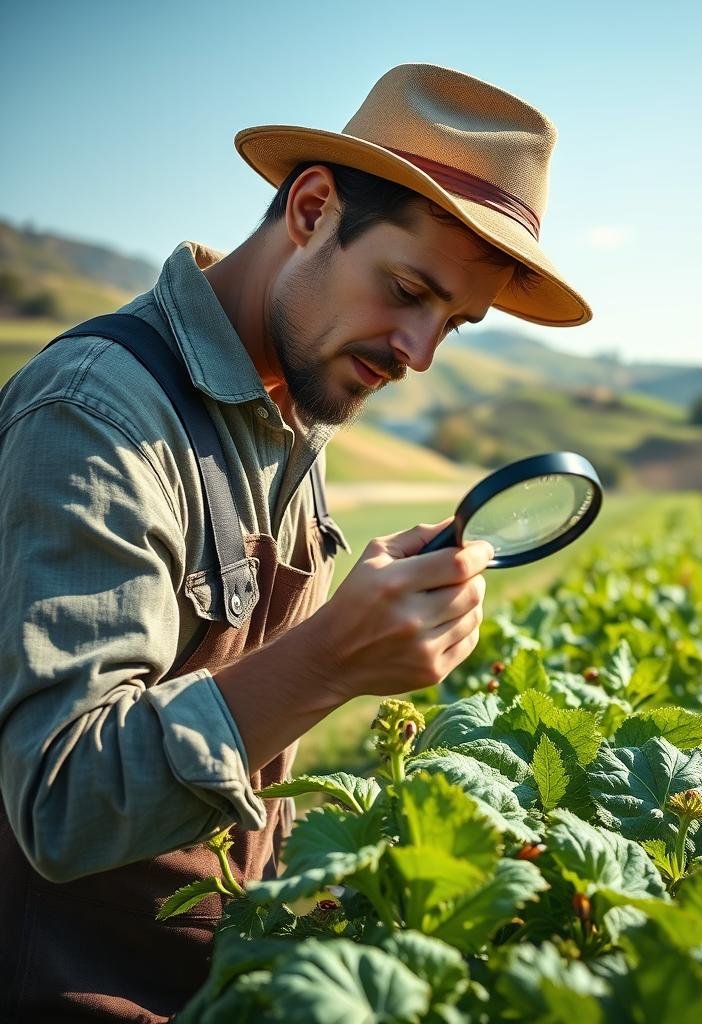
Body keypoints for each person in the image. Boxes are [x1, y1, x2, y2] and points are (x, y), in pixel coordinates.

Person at [0, 63, 590, 1022]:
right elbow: (60, 802)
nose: (419, 352)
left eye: (454, 322)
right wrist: (330, 658)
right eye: (407, 289)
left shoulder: (292, 411)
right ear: (313, 208)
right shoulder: (98, 417)